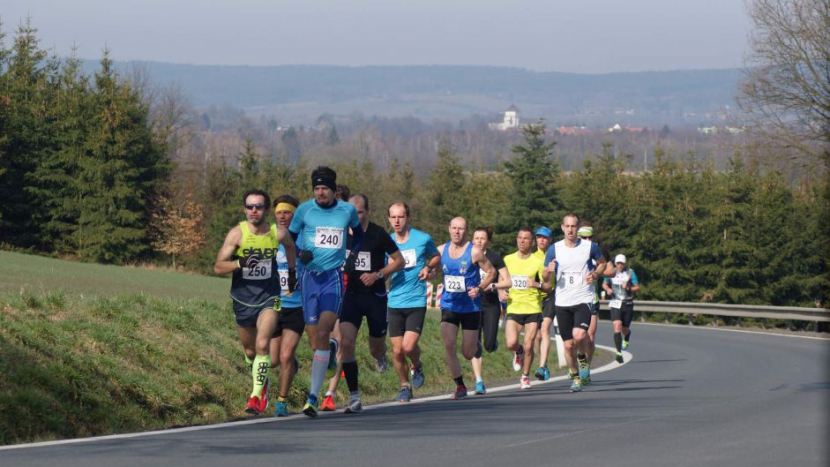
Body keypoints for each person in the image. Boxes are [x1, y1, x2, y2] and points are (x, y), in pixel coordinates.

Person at [288, 166, 364, 417]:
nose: (320, 193)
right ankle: (328, 351)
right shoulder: (304, 210)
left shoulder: (347, 211)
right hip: (309, 278)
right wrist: (299, 254)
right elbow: (289, 237)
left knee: (323, 330)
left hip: (332, 278)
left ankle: (312, 397)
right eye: (317, 189)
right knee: (314, 341)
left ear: (333, 190)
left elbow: (360, 234)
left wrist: (352, 254)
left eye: (325, 189)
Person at [214, 189, 297, 414]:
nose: (254, 210)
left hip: (270, 297)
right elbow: (218, 267)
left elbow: (290, 246)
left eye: (258, 206)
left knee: (263, 344)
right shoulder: (237, 235)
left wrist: (291, 272)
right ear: (244, 209)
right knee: (251, 352)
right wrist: (240, 263)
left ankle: (255, 396)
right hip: (242, 300)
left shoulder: (277, 233)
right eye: (250, 206)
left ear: (266, 210)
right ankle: (262, 382)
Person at [338, 194, 405, 413]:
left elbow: (399, 261)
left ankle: (380, 355)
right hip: (350, 296)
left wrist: (378, 274)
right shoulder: (340, 234)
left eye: (358, 212)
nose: (354, 217)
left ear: (367, 211)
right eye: (350, 213)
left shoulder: (377, 233)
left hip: (375, 297)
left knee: (376, 348)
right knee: (346, 343)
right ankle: (354, 397)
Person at [437, 217, 503, 400]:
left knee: (467, 353)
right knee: (449, 344)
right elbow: (432, 268)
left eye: (461, 229)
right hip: (449, 304)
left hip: (470, 307)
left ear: (466, 232)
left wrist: (480, 288)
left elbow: (492, 272)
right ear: (449, 229)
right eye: (454, 228)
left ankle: (475, 345)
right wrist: (429, 271)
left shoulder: (474, 252)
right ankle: (459, 385)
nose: (457, 232)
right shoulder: (440, 250)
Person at [543, 213, 607, 393]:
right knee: (568, 344)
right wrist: (549, 271)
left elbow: (602, 263)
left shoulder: (589, 247)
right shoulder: (554, 249)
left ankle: (581, 358)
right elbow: (545, 277)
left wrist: (595, 274)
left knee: (579, 336)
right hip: (562, 301)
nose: (570, 230)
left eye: (573, 226)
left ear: (577, 228)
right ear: (562, 228)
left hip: (583, 298)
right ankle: (576, 376)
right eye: (567, 226)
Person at [386, 202, 441, 402]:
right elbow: (381, 274)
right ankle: (404, 386)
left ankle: (416, 365)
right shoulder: (387, 242)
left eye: (401, 216)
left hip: (416, 299)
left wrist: (428, 267)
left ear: (408, 218)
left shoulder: (422, 239)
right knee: (397, 350)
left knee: (408, 347)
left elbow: (436, 256)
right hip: (394, 301)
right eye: (393, 217)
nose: (397, 221)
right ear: (389, 219)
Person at [268, 194, 305, 417]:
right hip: (273, 305)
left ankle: (281, 402)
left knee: (284, 356)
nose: (283, 216)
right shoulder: (268, 235)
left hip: (296, 305)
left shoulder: (303, 236)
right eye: (279, 212)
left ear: (295, 214)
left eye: (287, 212)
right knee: (273, 360)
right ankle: (293, 364)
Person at [501, 228, 550, 389]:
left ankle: (525, 376)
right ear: (516, 240)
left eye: (526, 239)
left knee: (530, 344)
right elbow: (501, 280)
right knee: (511, 343)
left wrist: (536, 284)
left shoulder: (538, 262)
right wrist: (501, 292)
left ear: (531, 242)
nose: (522, 241)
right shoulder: (508, 259)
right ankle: (518, 351)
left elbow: (548, 286)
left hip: (533, 308)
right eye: (520, 238)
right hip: (514, 306)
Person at [321, 184, 352, 412]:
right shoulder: (320, 230)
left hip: (347, 293)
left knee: (340, 341)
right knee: (324, 341)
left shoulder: (355, 234)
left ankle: (329, 394)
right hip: (324, 290)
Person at [470, 226, 509, 395]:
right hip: (471, 305)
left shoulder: (494, 257)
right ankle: (479, 381)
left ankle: (492, 343)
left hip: (491, 304)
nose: (479, 241)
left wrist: (493, 285)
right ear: (472, 240)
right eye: (476, 238)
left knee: (488, 345)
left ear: (488, 241)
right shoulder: (467, 255)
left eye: (482, 238)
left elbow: (508, 281)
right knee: (474, 344)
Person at [603, 254, 640, 363]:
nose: (619, 265)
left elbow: (637, 287)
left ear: (624, 264)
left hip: (627, 303)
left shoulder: (630, 272)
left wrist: (628, 287)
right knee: (617, 325)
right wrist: (608, 289)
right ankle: (619, 353)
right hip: (615, 302)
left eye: (621, 263)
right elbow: (604, 284)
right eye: (618, 263)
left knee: (624, 329)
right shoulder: (611, 272)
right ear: (615, 263)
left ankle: (627, 334)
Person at [531, 227, 555, 381]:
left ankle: (541, 366)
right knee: (536, 335)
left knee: (545, 329)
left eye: (545, 238)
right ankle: (543, 363)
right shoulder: (531, 257)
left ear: (550, 240)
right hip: (534, 298)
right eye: (539, 237)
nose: (541, 240)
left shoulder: (556, 256)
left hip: (551, 296)